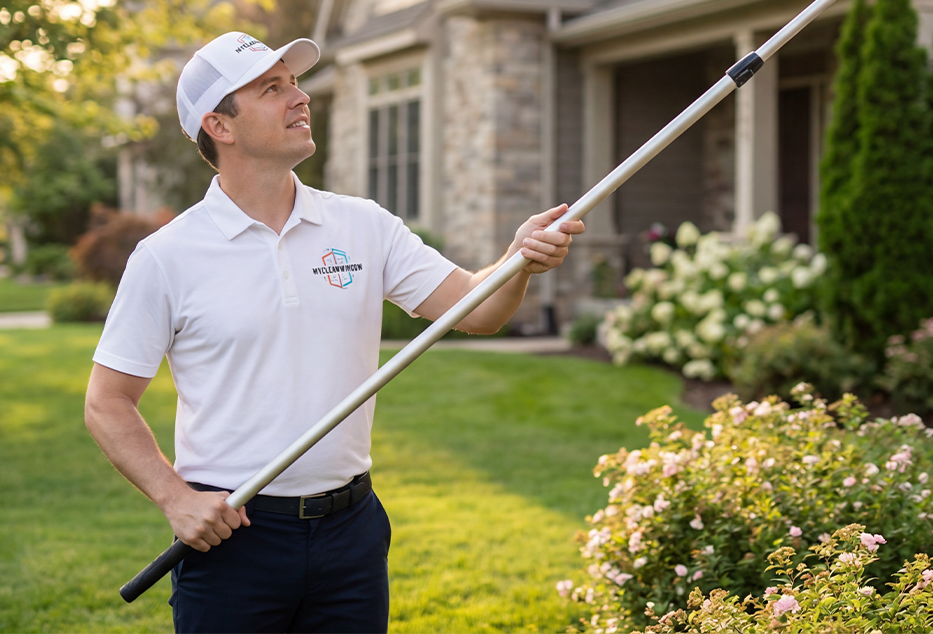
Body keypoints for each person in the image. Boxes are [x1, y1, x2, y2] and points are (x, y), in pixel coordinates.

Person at [84, 31, 584, 633]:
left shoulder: (363, 225)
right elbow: (107, 402)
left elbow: (477, 310)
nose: (300, 98)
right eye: (273, 88)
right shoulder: (167, 256)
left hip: (352, 530)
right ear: (220, 126)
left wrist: (517, 260)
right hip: (235, 536)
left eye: (295, 82)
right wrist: (175, 498)